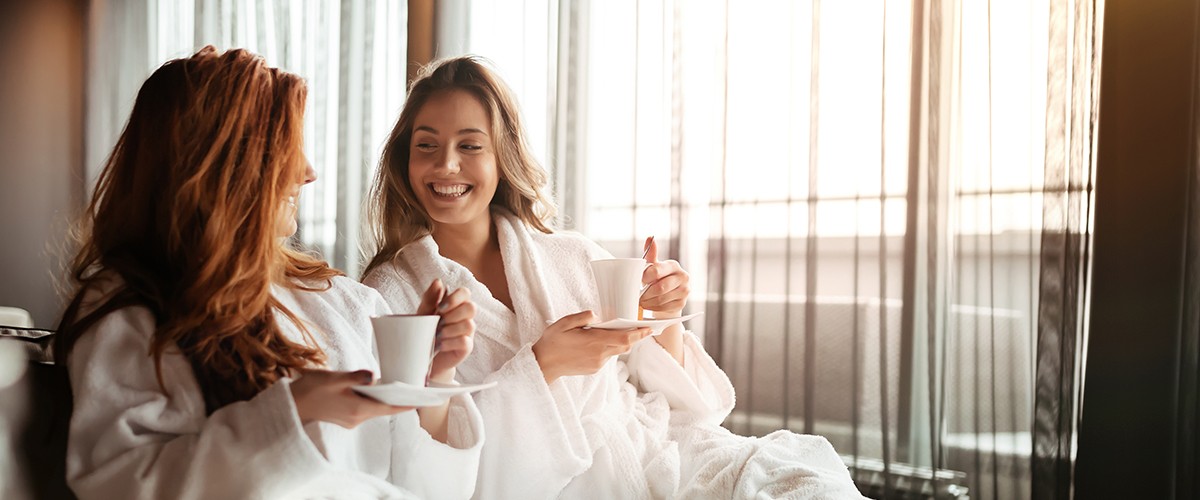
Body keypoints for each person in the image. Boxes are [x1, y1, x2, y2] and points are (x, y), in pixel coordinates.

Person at [362, 55, 866, 499]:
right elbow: (418, 466)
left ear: (501, 158)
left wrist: (664, 318)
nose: (445, 165)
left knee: (806, 480)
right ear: (406, 159)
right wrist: (542, 367)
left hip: (661, 452)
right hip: (548, 485)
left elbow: (677, 402)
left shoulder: (572, 255)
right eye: (426, 146)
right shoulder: (391, 294)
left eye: (469, 146)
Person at [54, 46, 483, 500]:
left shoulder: (342, 300)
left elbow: (431, 490)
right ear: (216, 165)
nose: (307, 171)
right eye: (283, 150)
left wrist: (434, 379)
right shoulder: (131, 312)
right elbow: (120, 485)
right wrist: (291, 413)